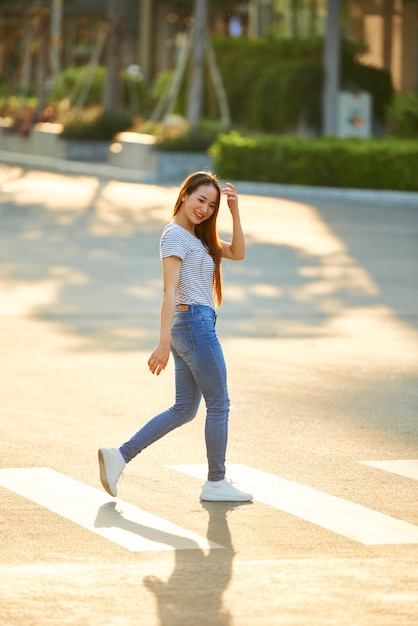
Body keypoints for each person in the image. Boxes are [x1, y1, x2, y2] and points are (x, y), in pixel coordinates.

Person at [98, 171, 252, 502]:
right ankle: (216, 481)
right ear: (184, 196)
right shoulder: (175, 236)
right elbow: (169, 292)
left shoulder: (199, 238)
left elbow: (238, 252)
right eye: (201, 200)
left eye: (212, 206)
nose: (206, 209)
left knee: (184, 409)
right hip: (192, 324)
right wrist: (163, 343)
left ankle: (120, 456)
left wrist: (234, 212)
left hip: (193, 324)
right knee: (219, 403)